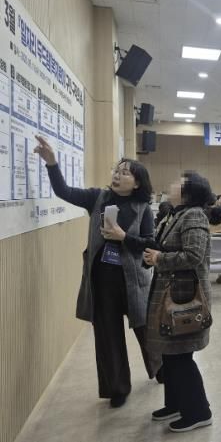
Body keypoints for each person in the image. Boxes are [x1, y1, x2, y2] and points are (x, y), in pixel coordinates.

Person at [33, 135, 158, 408]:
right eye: (117, 170)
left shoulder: (143, 209)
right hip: (102, 281)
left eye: (125, 173)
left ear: (137, 182)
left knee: (145, 329)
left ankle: (160, 368)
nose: (118, 175)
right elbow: (64, 191)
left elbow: (149, 244)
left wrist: (123, 237)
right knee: (107, 335)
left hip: (134, 281)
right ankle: (117, 388)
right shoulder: (96, 198)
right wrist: (52, 163)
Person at [143, 171, 213, 432]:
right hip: (170, 295)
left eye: (178, 183)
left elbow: (193, 256)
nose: (171, 185)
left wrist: (159, 259)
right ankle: (175, 404)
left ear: (188, 192)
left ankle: (199, 412)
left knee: (181, 356)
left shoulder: (194, 215)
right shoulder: (175, 214)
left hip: (184, 299)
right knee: (170, 354)